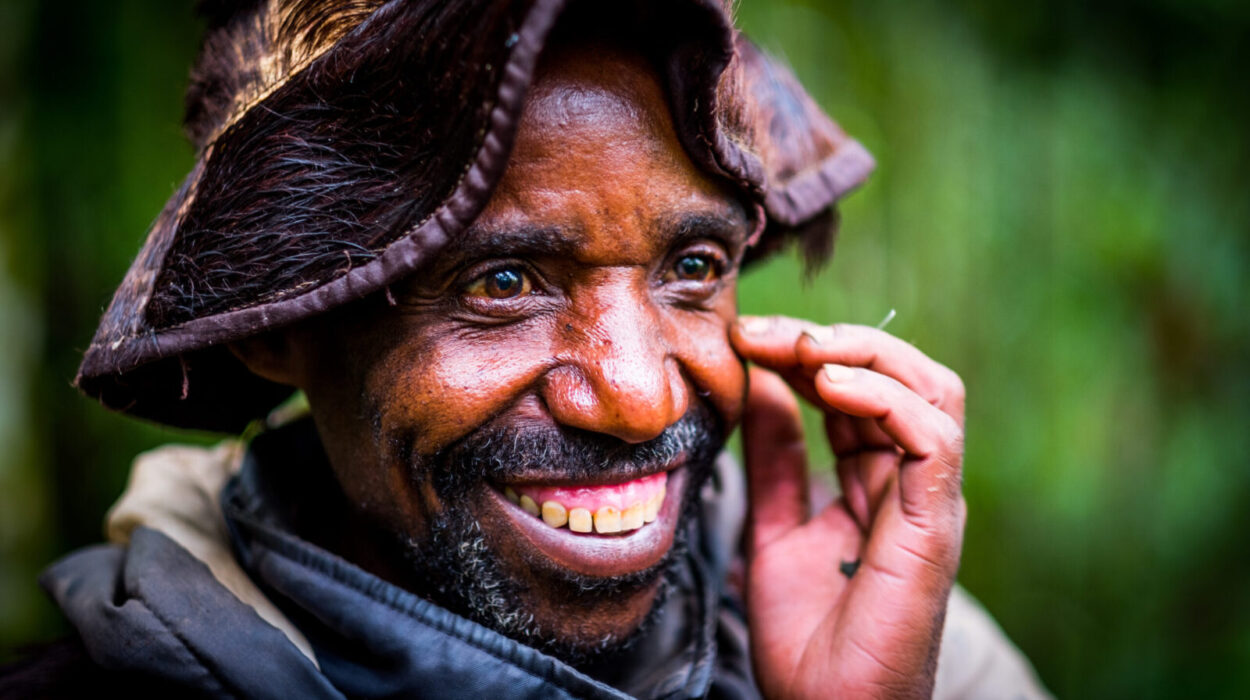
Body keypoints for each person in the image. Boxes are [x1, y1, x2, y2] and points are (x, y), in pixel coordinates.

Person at [2, 1, 1050, 697]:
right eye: (502, 283)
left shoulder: (897, 641)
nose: (639, 400)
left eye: (691, 266)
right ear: (281, 325)